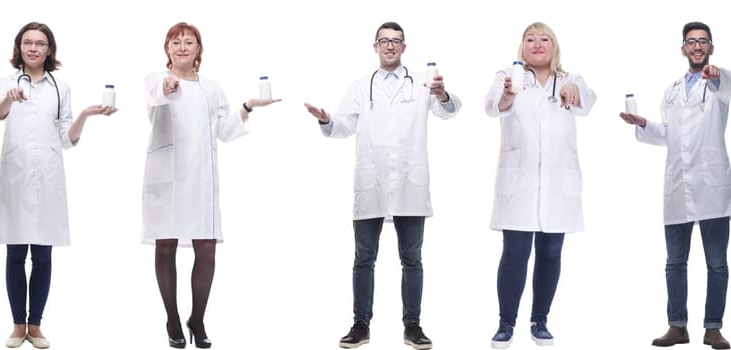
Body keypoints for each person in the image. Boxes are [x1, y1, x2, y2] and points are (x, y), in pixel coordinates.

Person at [303, 21, 460, 350]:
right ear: (375, 46)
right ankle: (361, 325)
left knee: (412, 258)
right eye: (384, 41)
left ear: (404, 47)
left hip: (409, 182)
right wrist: (326, 119)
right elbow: (343, 125)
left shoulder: (422, 83)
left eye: (396, 41)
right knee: (363, 258)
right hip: (371, 182)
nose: (390, 46)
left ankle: (413, 326)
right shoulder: (362, 86)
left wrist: (443, 94)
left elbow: (450, 110)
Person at [142, 21, 279, 349]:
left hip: (200, 179)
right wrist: (169, 88)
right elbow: (158, 97)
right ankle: (173, 318)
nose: (183, 47)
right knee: (166, 245)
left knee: (206, 249)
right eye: (176, 42)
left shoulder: (212, 88)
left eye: (189, 42)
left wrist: (247, 108)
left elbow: (225, 131)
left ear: (199, 50)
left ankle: (197, 318)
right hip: (167, 179)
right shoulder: (157, 81)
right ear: (168, 49)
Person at [0, 22, 117, 350]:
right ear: (19, 48)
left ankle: (37, 326)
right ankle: (18, 327)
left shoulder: (60, 86)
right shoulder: (7, 82)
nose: (33, 48)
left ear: (49, 49)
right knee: (16, 252)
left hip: (47, 178)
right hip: (15, 177)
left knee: (43, 254)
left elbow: (66, 139)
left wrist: (85, 115)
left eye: (40, 43)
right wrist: (9, 98)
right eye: (27, 43)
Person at [618, 21, 731, 350]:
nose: (696, 46)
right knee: (674, 263)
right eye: (691, 42)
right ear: (682, 48)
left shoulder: (719, 81)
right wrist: (644, 124)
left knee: (717, 263)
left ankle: (713, 328)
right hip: (678, 187)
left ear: (711, 47)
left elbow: (723, 82)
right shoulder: (671, 90)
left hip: (713, 186)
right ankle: (677, 327)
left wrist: (716, 74)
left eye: (702, 41)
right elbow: (670, 135)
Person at [483, 22, 595, 349]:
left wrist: (576, 92)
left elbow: (587, 103)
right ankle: (506, 324)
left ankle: (540, 321)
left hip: (559, 183)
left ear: (554, 46)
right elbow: (491, 108)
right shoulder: (508, 76)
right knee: (514, 253)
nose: (537, 44)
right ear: (522, 46)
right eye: (530, 39)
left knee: (550, 252)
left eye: (544, 39)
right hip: (519, 181)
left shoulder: (570, 79)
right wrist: (506, 94)